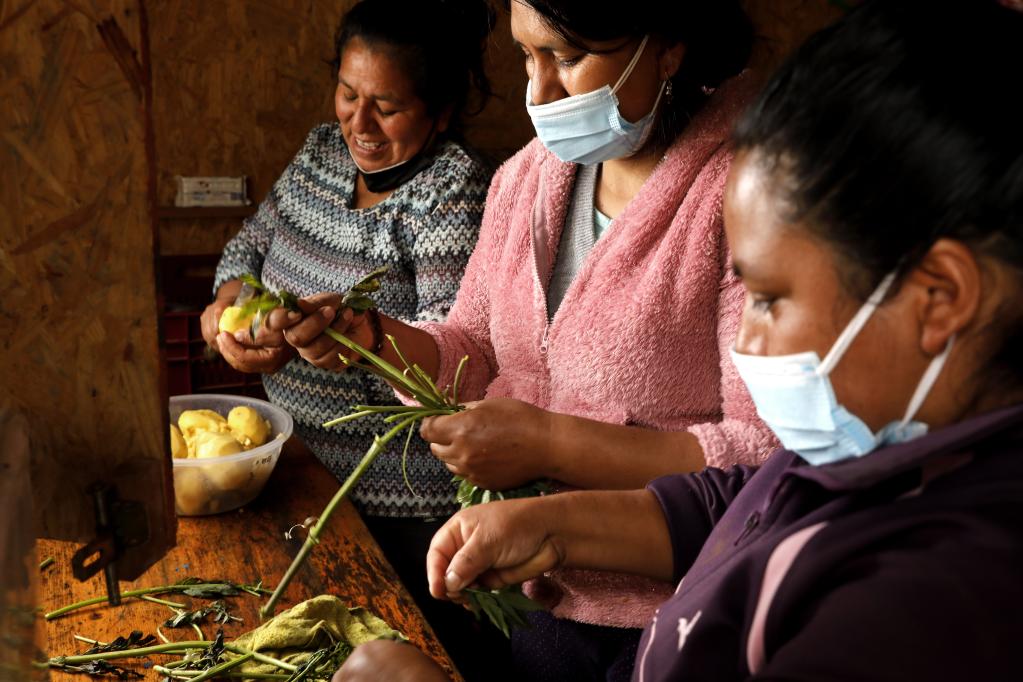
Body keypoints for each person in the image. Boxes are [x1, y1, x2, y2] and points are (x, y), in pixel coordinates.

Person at [333, 0, 1023, 679]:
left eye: (768, 299)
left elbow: (751, 464)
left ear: (939, 299)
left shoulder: (916, 612)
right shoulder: (864, 460)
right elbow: (744, 501)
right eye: (524, 55)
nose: (748, 341)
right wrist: (557, 526)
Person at [274, 0, 774, 678]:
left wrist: (548, 443)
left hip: (684, 615)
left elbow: (761, 460)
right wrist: (375, 338)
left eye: (566, 59)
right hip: (541, 597)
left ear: (668, 46)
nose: (537, 92)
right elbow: (474, 346)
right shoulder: (529, 179)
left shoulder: (748, 194)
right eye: (525, 56)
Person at [199, 0, 499, 676]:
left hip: (399, 515)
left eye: (386, 107)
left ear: (440, 110)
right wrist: (226, 317)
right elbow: (245, 249)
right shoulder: (319, 152)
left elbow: (453, 363)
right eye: (348, 93)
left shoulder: (452, 191)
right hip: (297, 485)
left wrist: (360, 338)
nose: (358, 124)